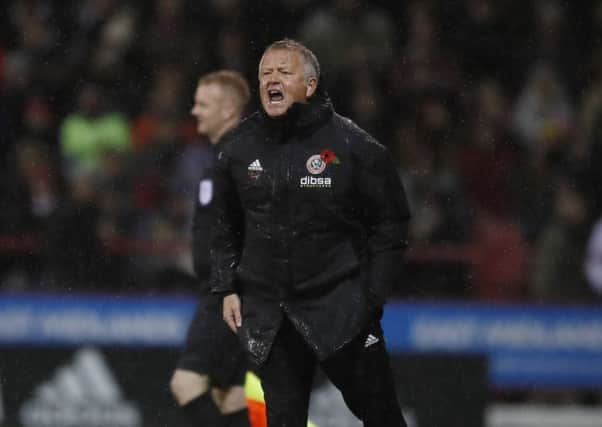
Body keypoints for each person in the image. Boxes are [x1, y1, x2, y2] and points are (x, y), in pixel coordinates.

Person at [211, 39, 411, 427]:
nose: (272, 79)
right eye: (265, 73)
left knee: (383, 416)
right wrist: (226, 286)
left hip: (342, 307)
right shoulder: (237, 149)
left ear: (311, 84)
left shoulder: (355, 147)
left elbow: (392, 222)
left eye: (284, 72)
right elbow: (223, 223)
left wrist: (371, 295)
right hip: (272, 313)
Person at [169, 70, 251, 427]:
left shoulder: (244, 163)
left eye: (204, 104)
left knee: (186, 383)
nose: (194, 111)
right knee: (231, 398)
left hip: (226, 296)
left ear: (229, 110)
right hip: (225, 293)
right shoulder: (221, 161)